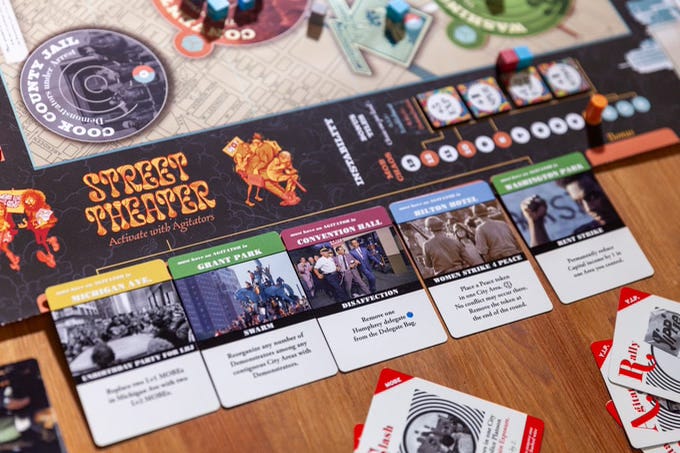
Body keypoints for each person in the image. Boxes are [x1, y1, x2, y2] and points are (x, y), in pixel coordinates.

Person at [521, 173, 619, 246]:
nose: (589, 208)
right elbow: (547, 260)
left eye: (593, 197)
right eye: (579, 202)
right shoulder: (582, 233)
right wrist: (536, 222)